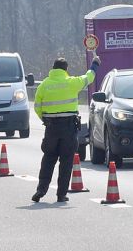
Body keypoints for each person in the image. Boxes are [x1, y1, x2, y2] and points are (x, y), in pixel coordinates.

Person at [31, 55, 100, 203]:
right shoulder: (71, 82)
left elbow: (37, 106)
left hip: (51, 127)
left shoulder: (44, 85)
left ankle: (41, 190)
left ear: (53, 69)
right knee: (66, 161)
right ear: (66, 69)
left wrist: (46, 120)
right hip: (68, 127)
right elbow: (89, 78)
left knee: (48, 159)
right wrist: (95, 63)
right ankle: (61, 194)